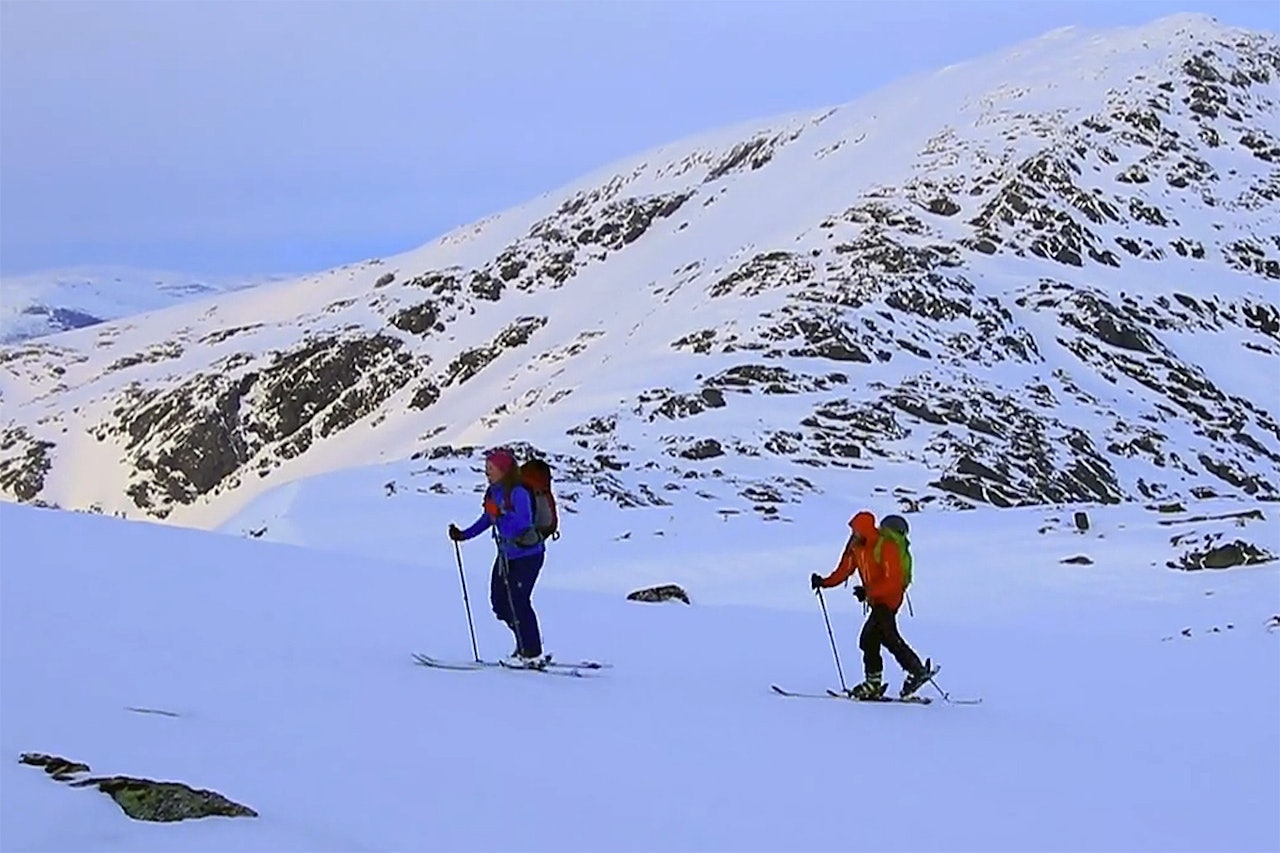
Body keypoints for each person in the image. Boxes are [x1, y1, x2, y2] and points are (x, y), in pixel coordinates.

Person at [810, 511, 936, 699]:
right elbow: (844, 570)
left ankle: (884, 681)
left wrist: (868, 591)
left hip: (890, 598)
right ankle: (908, 673)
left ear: (865, 530)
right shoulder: (857, 549)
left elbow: (893, 581)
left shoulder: (885, 546)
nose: (853, 535)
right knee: (882, 637)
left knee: (870, 638)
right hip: (877, 599)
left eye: (856, 531)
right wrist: (824, 582)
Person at [449, 448, 548, 667]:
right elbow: (487, 520)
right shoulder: (495, 491)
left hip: (528, 555)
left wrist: (499, 513)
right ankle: (525, 644)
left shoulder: (518, 492)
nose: (487, 473)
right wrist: (464, 535)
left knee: (519, 601)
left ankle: (532, 652)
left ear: (503, 470)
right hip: (507, 555)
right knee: (501, 604)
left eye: (490, 469)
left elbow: (523, 523)